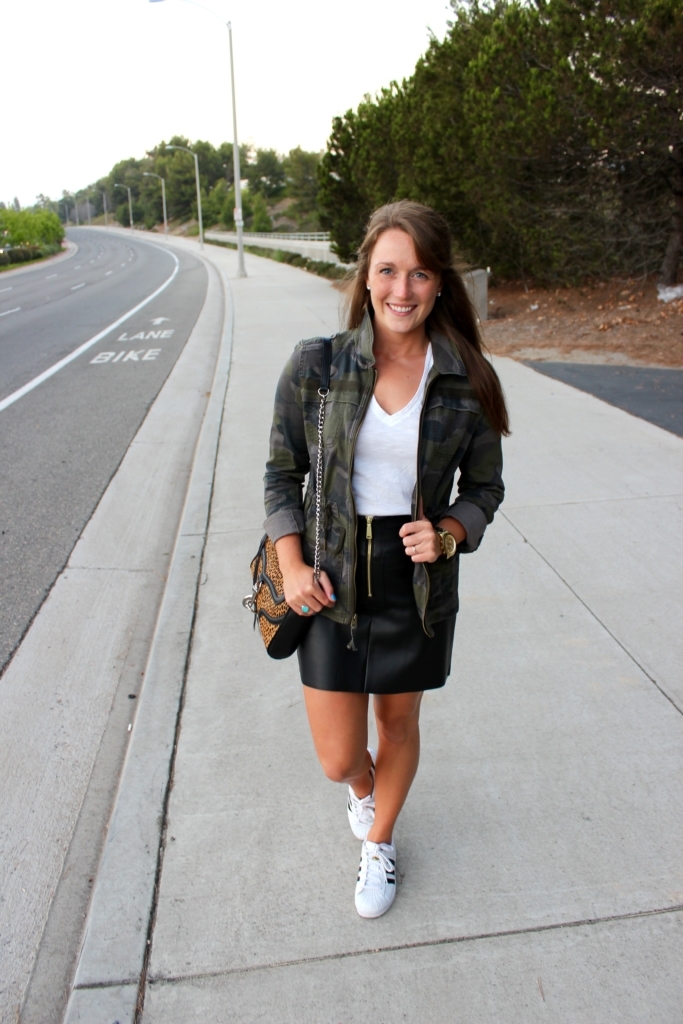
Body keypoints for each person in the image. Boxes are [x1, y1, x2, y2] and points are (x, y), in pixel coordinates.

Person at [264, 200, 509, 918]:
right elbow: (281, 474)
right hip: (328, 579)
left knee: (398, 726)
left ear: (439, 285)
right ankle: (363, 793)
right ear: (366, 277)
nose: (402, 290)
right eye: (388, 271)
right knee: (339, 758)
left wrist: (450, 534)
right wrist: (290, 563)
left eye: (420, 274)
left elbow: (485, 488)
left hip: (416, 584)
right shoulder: (317, 366)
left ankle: (379, 840)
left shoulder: (466, 376)